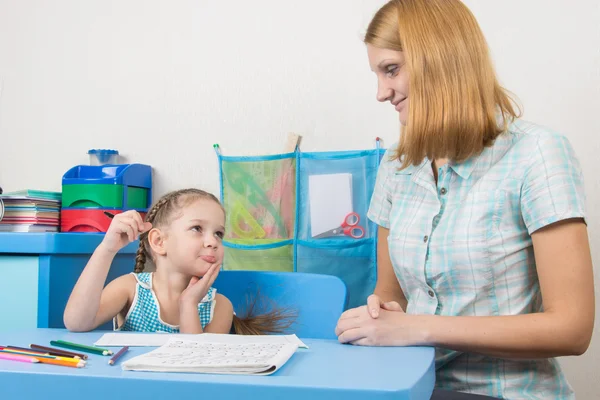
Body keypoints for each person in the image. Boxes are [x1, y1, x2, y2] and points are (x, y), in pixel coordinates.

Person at [335, 1, 595, 399]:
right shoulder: (396, 167)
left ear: (437, 61)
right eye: (377, 74)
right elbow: (391, 296)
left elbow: (572, 329)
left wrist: (418, 327)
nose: (381, 93)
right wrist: (377, 318)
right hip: (416, 388)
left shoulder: (538, 154)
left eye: (391, 70)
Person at [64, 188, 293, 335]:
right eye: (197, 229)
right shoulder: (131, 289)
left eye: (218, 233)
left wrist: (188, 305)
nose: (212, 242)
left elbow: (194, 365)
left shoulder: (220, 307)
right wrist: (107, 249)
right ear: (159, 241)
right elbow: (77, 323)